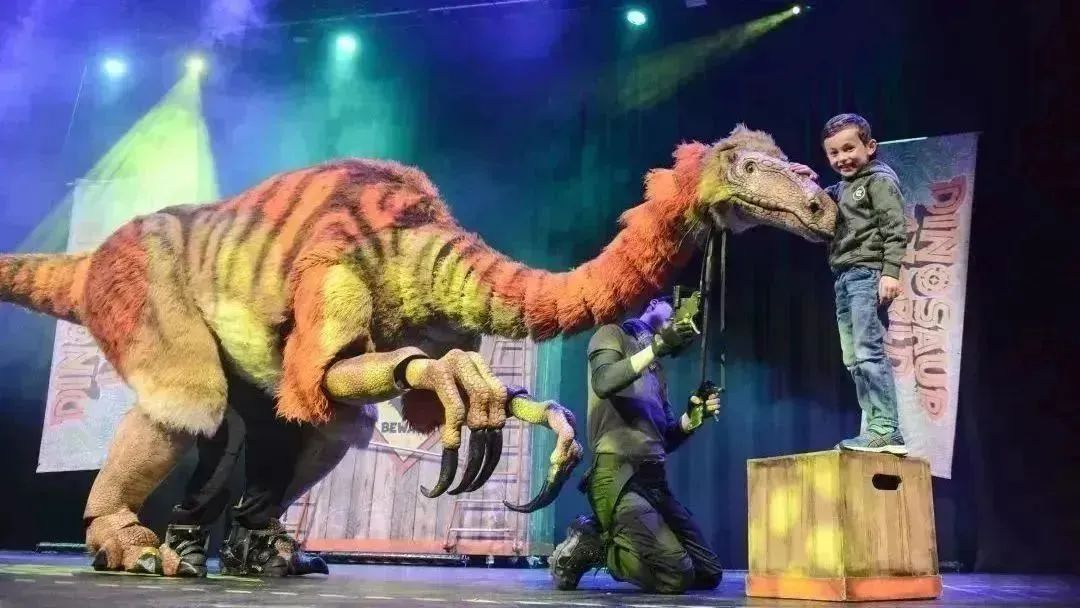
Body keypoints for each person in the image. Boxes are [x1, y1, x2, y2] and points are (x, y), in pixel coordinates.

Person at [549, 295, 723, 594]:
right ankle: (595, 545)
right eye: (672, 310)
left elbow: (663, 439)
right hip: (617, 478)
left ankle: (612, 538)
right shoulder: (611, 334)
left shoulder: (656, 370)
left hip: (653, 482)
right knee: (676, 575)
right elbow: (603, 381)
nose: (677, 318)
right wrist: (656, 346)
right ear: (653, 304)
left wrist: (692, 418)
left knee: (708, 572)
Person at [792, 113, 910, 454]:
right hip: (844, 277)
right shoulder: (843, 187)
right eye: (834, 153)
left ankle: (886, 429)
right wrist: (808, 180)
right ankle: (876, 428)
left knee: (868, 351)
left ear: (869, 147)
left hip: (867, 273)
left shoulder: (878, 180)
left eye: (849, 149)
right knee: (853, 357)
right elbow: (823, 202)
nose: (842, 158)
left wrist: (890, 272)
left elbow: (895, 228)